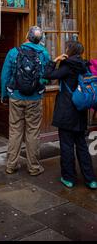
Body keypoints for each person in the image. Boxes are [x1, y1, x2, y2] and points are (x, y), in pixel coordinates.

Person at [43, 41, 97, 189]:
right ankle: (90, 179)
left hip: (66, 112)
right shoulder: (85, 66)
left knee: (66, 146)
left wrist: (54, 61)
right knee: (82, 146)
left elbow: (47, 75)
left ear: (69, 50)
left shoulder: (67, 66)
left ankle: (69, 178)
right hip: (80, 112)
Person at [1, 26, 50, 176]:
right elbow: (46, 76)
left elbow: (5, 76)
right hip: (35, 98)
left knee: (15, 131)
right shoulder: (44, 53)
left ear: (26, 36)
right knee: (33, 132)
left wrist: (4, 95)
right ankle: (34, 167)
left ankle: (11, 165)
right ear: (40, 40)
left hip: (16, 97)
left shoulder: (14, 52)